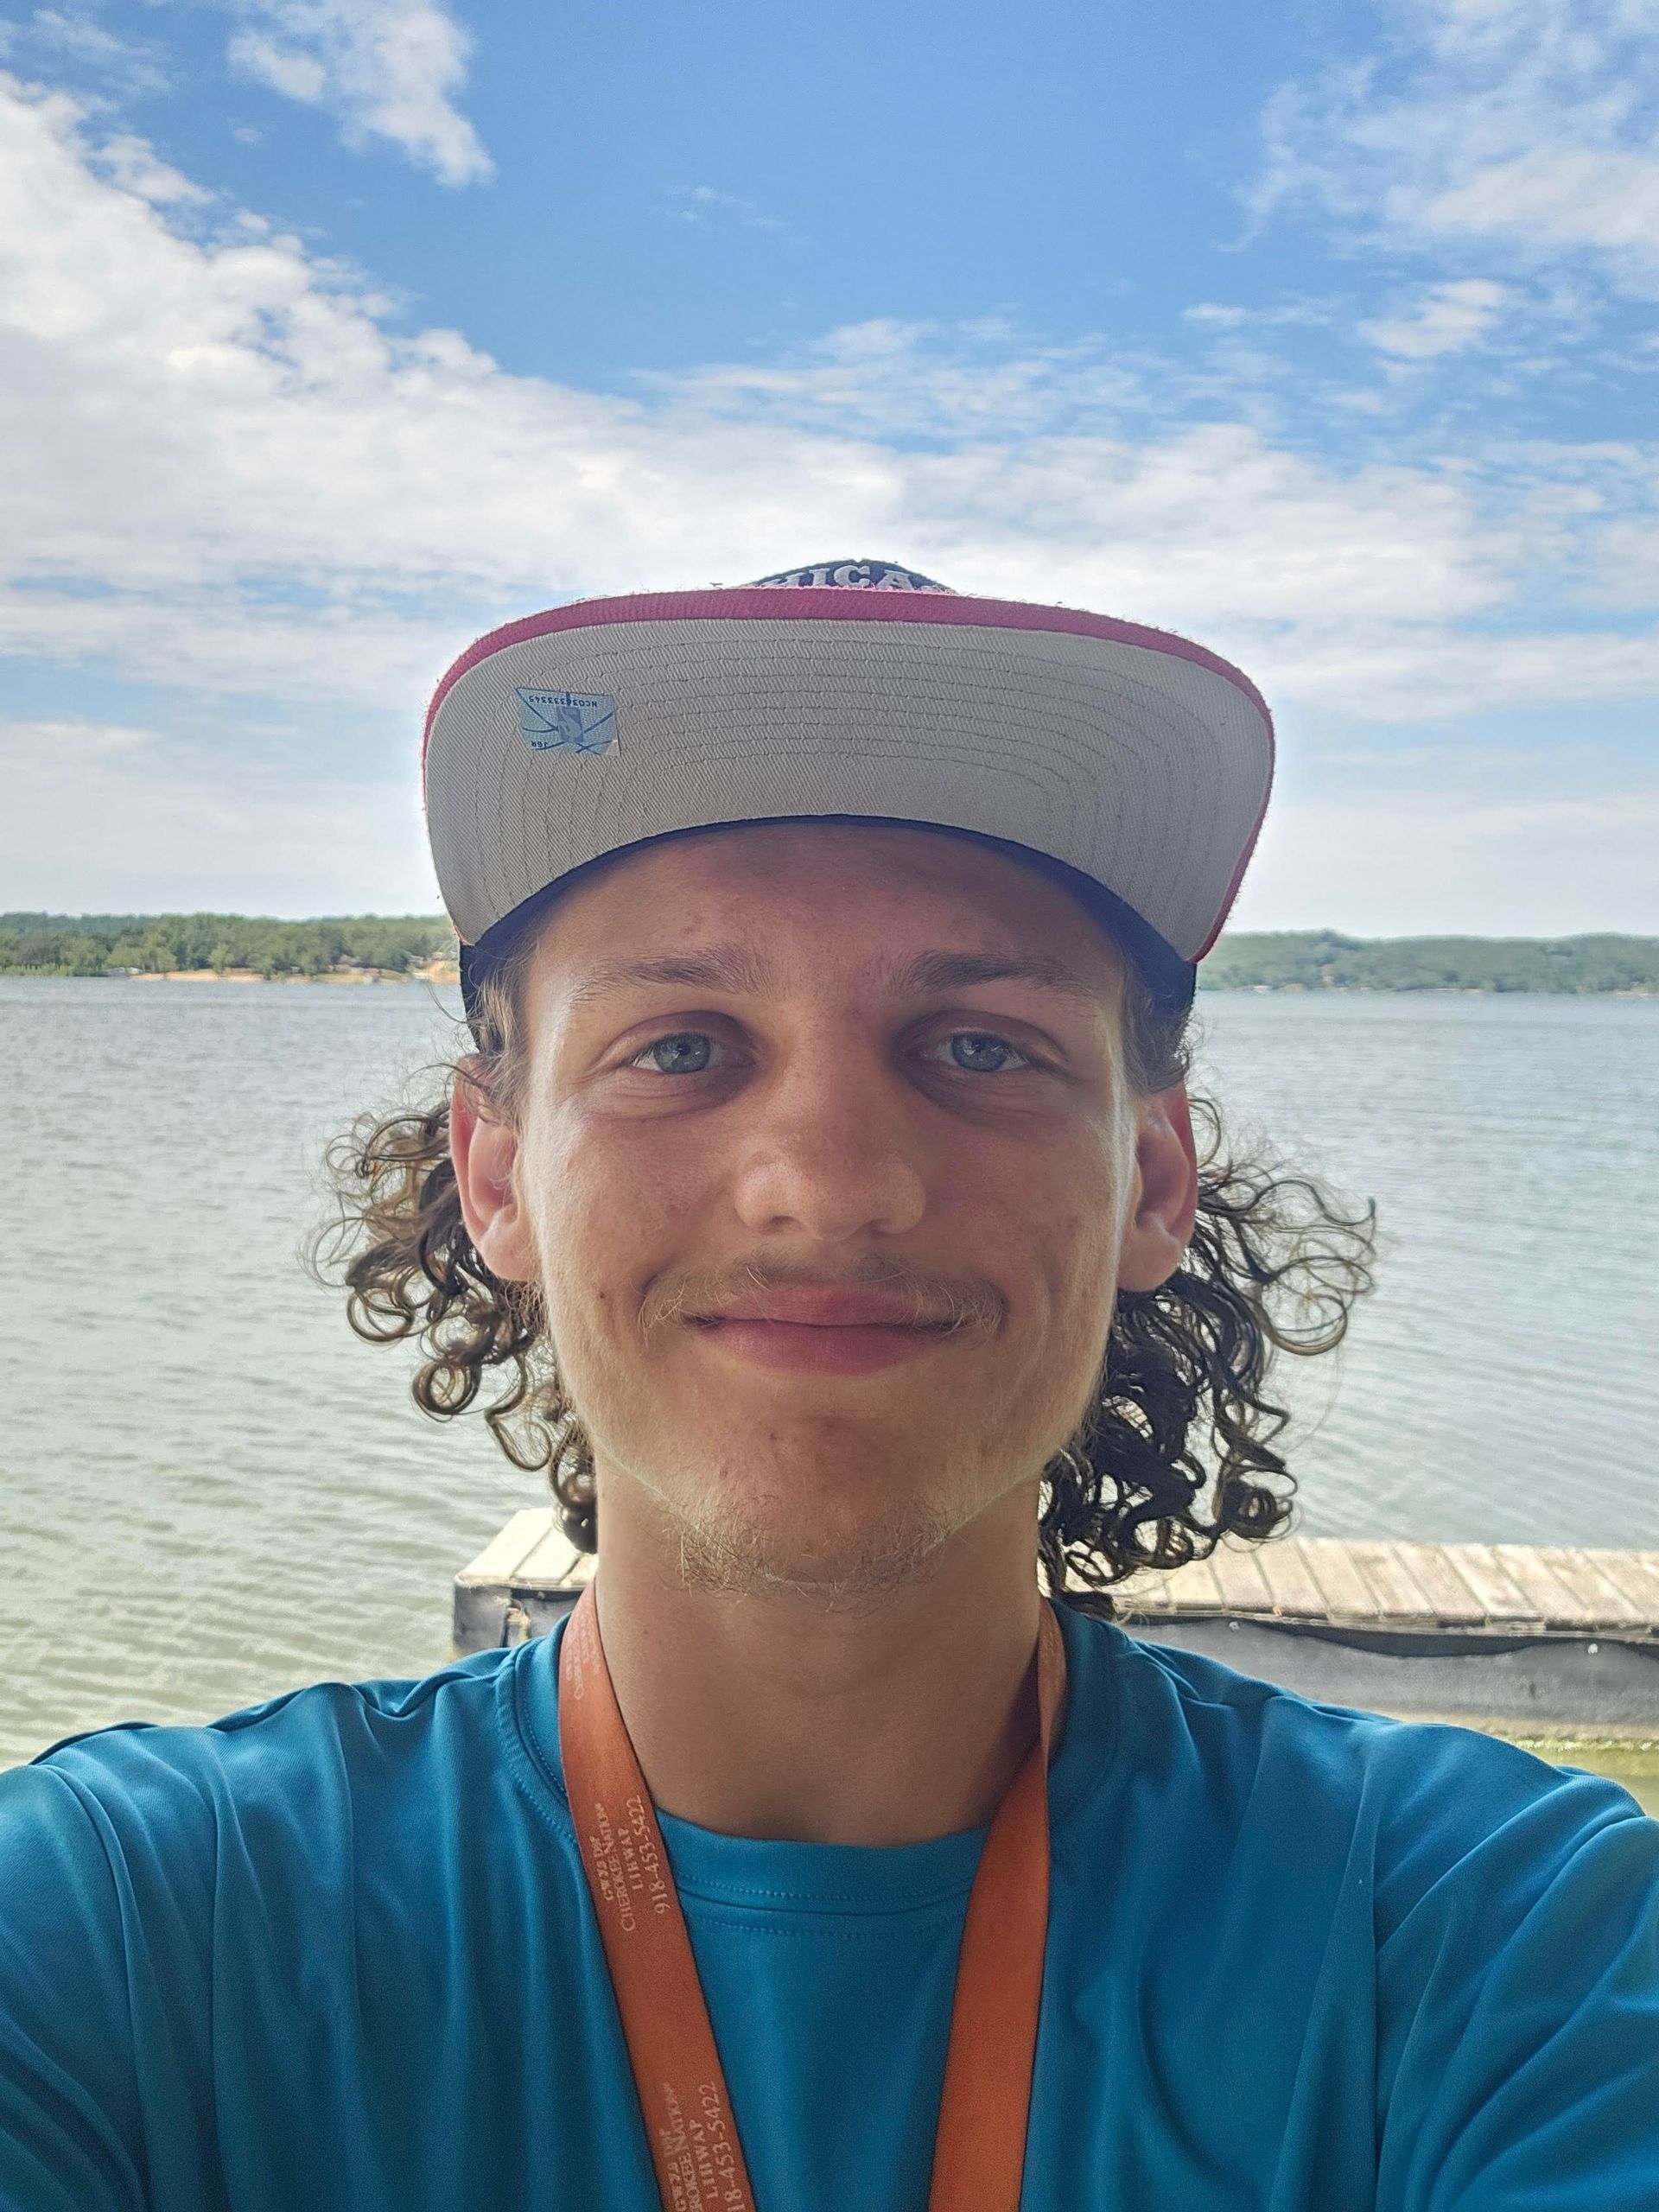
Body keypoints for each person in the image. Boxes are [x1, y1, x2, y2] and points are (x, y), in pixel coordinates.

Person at [2, 561, 1655, 2211]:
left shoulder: (1504, 1942)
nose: (829, 1182)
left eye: (984, 1046)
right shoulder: (122, 1932)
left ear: (1152, 1180)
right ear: (498, 1175)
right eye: (681, 1046)